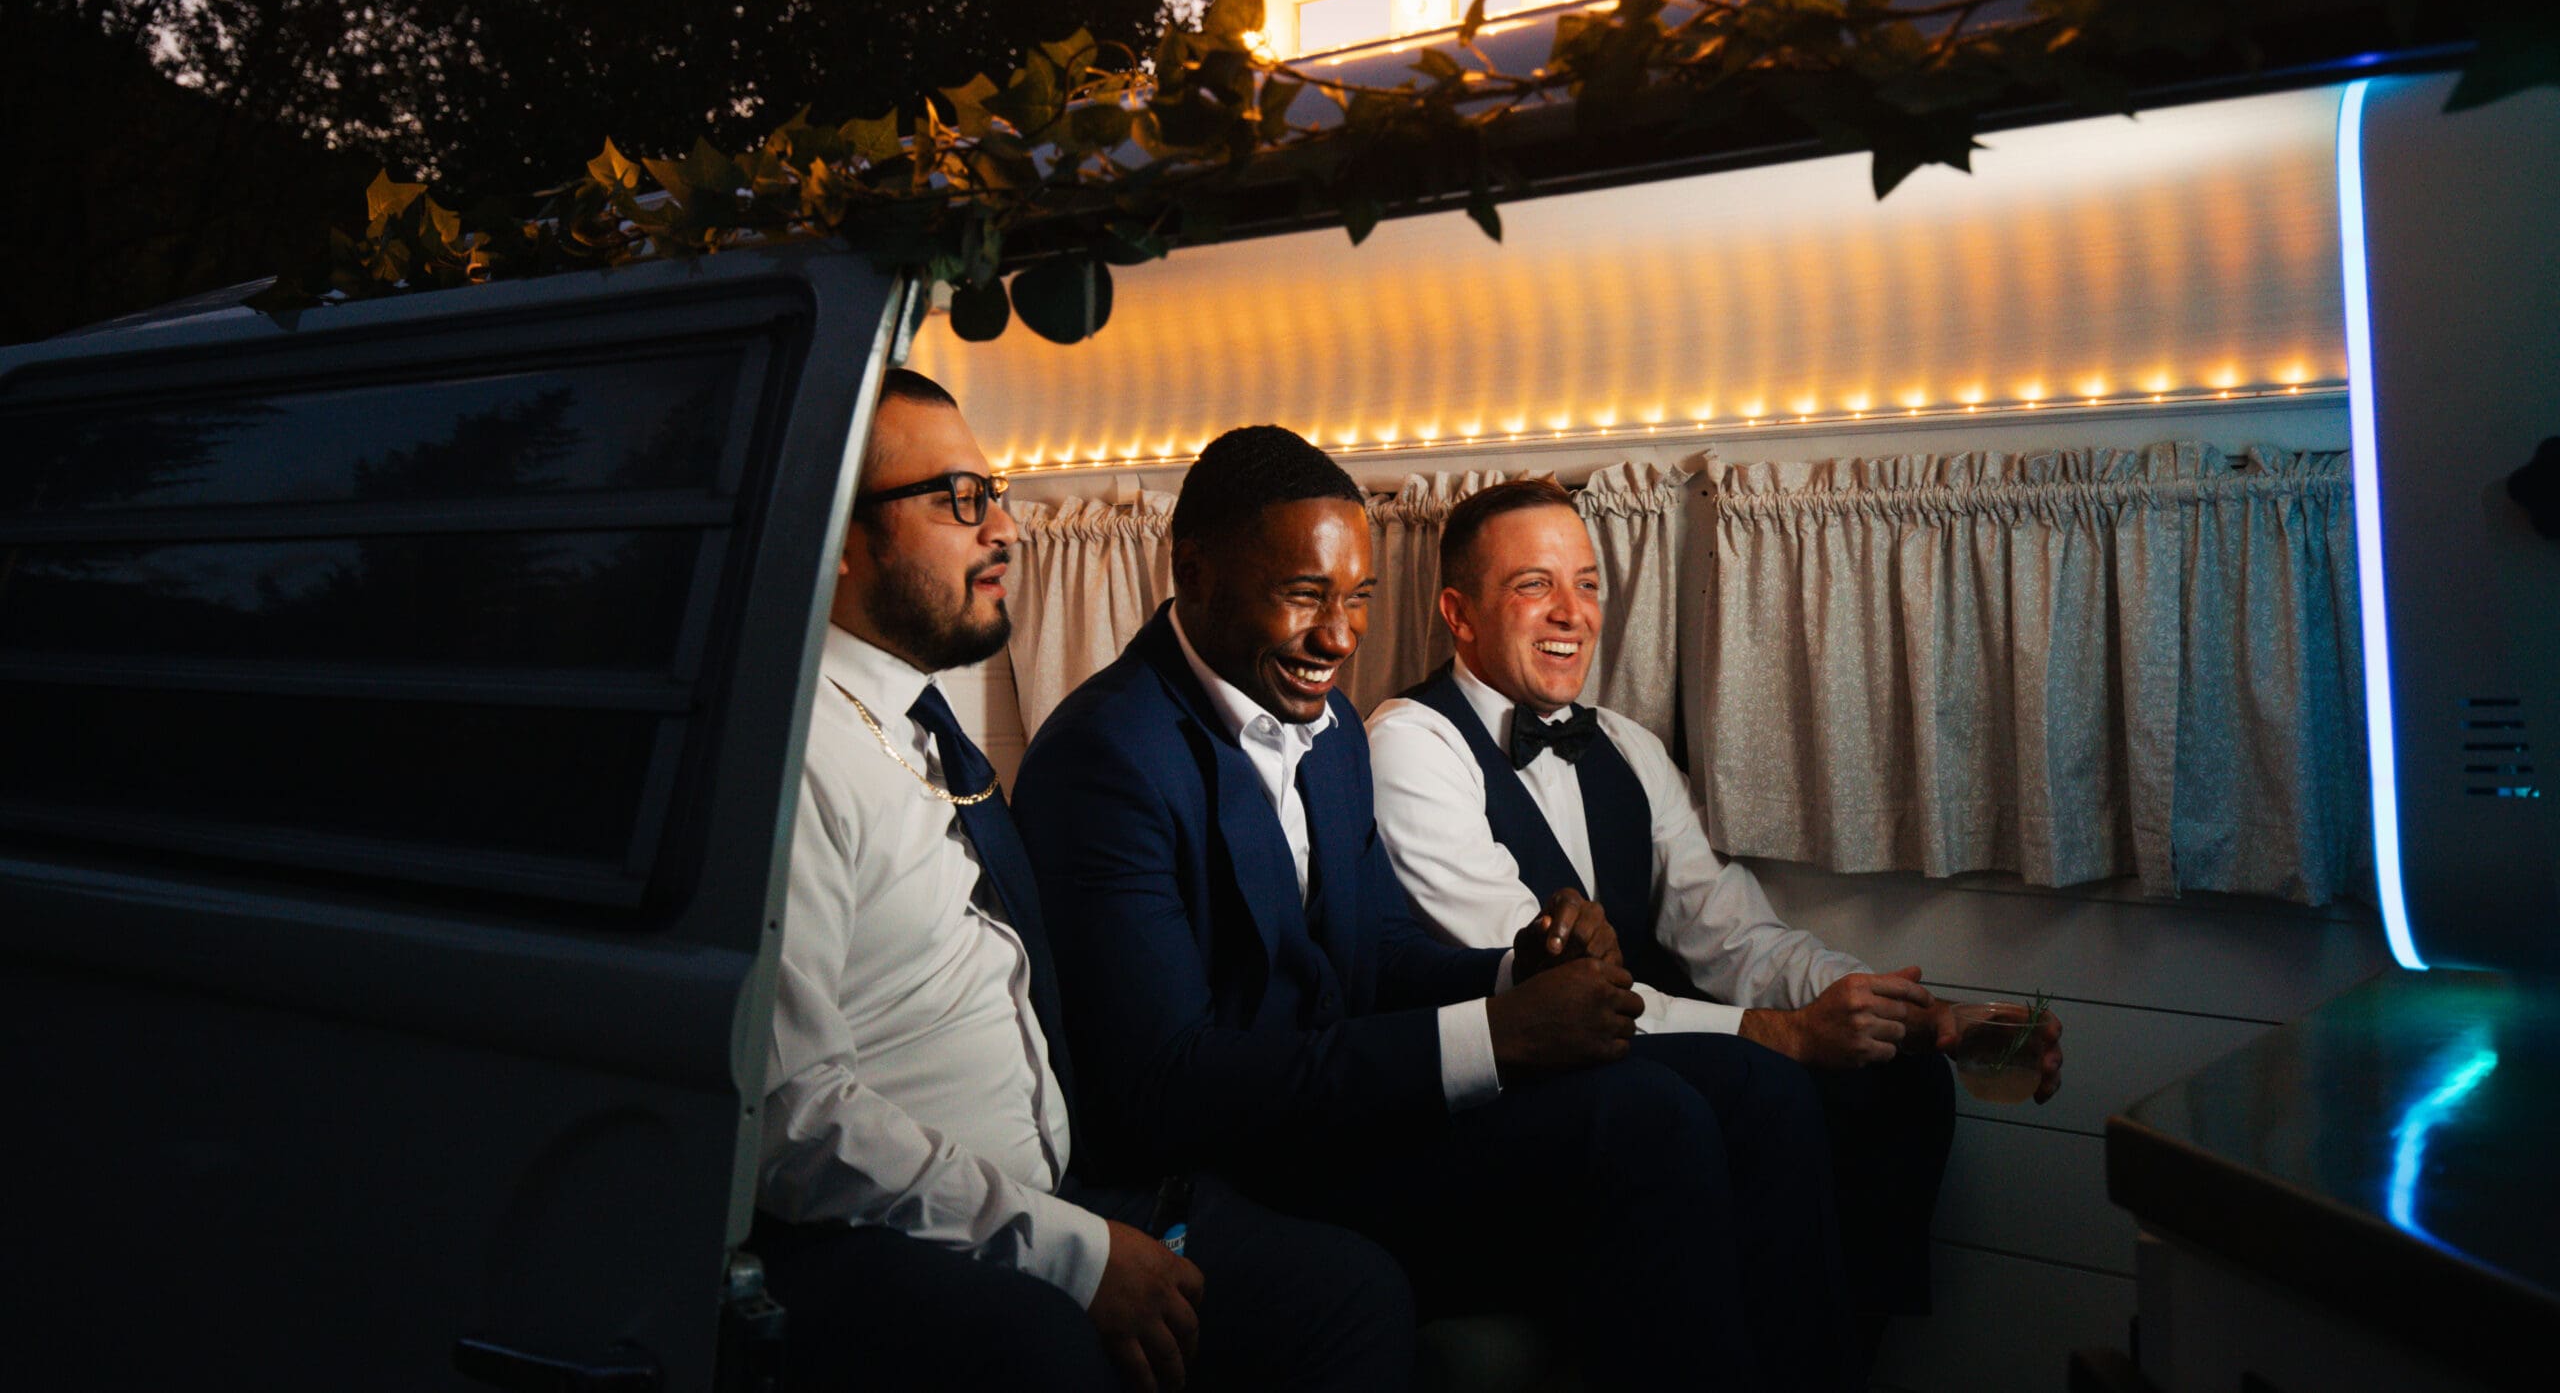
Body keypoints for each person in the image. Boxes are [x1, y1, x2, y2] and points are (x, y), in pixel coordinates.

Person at [1012, 426, 1848, 1393]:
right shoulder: (1107, 756)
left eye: (1358, 597)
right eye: (1304, 595)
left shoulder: (1326, 736)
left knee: (1747, 1089)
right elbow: (1171, 1082)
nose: (1339, 636)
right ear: (1192, 572)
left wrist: (1518, 968)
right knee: (1644, 1120)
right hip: (1238, 1171)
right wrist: (1496, 1036)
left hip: (1348, 1115)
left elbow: (1376, 953)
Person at [755, 372, 1412, 1393]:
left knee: (1346, 1293)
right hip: (898, 1238)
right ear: (835, 535)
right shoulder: (794, 760)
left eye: (998, 493)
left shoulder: (924, 732)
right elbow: (793, 1118)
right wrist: (1073, 1250)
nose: (1007, 531)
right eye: (959, 500)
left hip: (1065, 1187)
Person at [1366, 477, 2068, 1381]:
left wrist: (1924, 1015)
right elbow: (1559, 999)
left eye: (1587, 583)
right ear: (1459, 615)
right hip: (1516, 1090)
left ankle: (1835, 1361)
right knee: (1758, 1082)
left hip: (1631, 1049)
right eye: (1533, 585)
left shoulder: (1626, 745)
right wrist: (1777, 1035)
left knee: (1903, 1082)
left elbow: (1736, 936)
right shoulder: (1410, 745)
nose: (1571, 612)